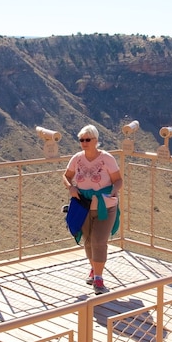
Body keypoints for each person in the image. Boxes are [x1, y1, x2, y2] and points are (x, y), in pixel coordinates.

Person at [62, 125, 122, 295]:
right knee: (88, 241)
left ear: (96, 140)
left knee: (99, 241)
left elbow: (118, 180)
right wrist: (71, 188)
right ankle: (94, 269)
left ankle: (99, 278)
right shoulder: (77, 159)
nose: (84, 143)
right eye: (82, 140)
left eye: (88, 139)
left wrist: (110, 192)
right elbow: (66, 176)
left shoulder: (107, 159)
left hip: (105, 206)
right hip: (84, 206)